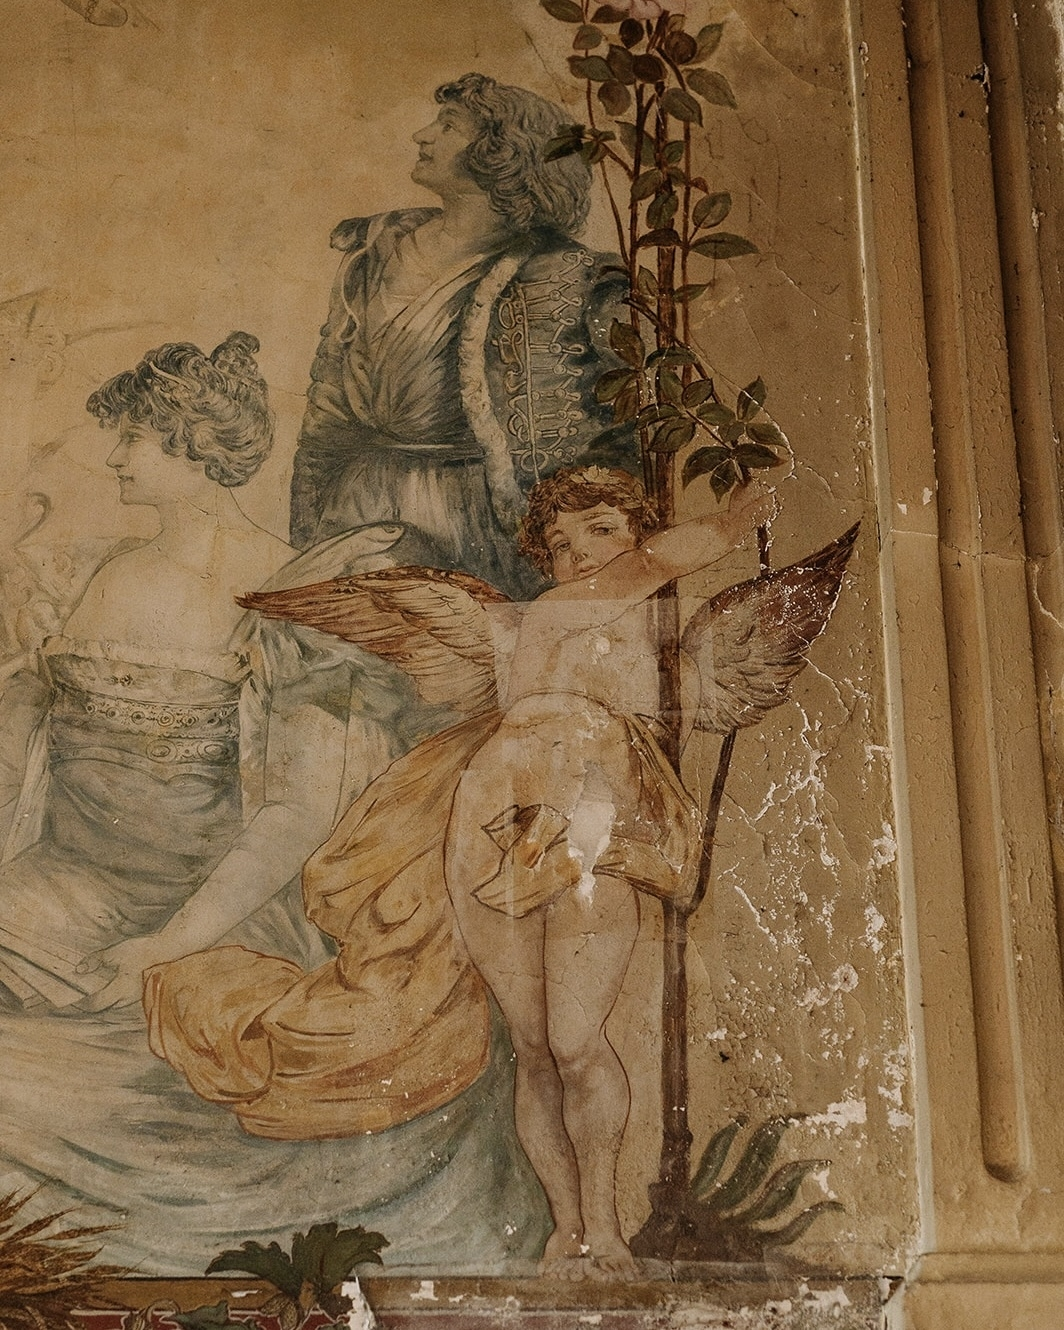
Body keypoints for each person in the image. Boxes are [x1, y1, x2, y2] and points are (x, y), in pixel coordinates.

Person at [0, 333, 547, 1273]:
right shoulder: (106, 570)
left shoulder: (293, 592)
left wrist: (166, 943)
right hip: (67, 882)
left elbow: (294, 813)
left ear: (191, 444)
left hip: (213, 905)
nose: (113, 457)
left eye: (133, 438)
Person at [149, 464, 774, 1277]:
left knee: (577, 1042)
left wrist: (732, 532)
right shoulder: (543, 616)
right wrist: (728, 526)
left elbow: (656, 585)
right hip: (493, 812)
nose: (579, 555)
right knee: (534, 1047)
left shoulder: (649, 633)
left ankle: (607, 1225)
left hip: (589, 818)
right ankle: (569, 1229)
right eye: (560, 545)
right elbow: (654, 563)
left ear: (634, 531)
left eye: (601, 530)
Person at [288, 72, 638, 598]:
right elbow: (330, 402)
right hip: (359, 506)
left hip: (473, 520)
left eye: (448, 125)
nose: (422, 135)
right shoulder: (374, 251)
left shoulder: (567, 276)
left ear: (501, 151)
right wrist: (310, 516)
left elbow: (617, 428)